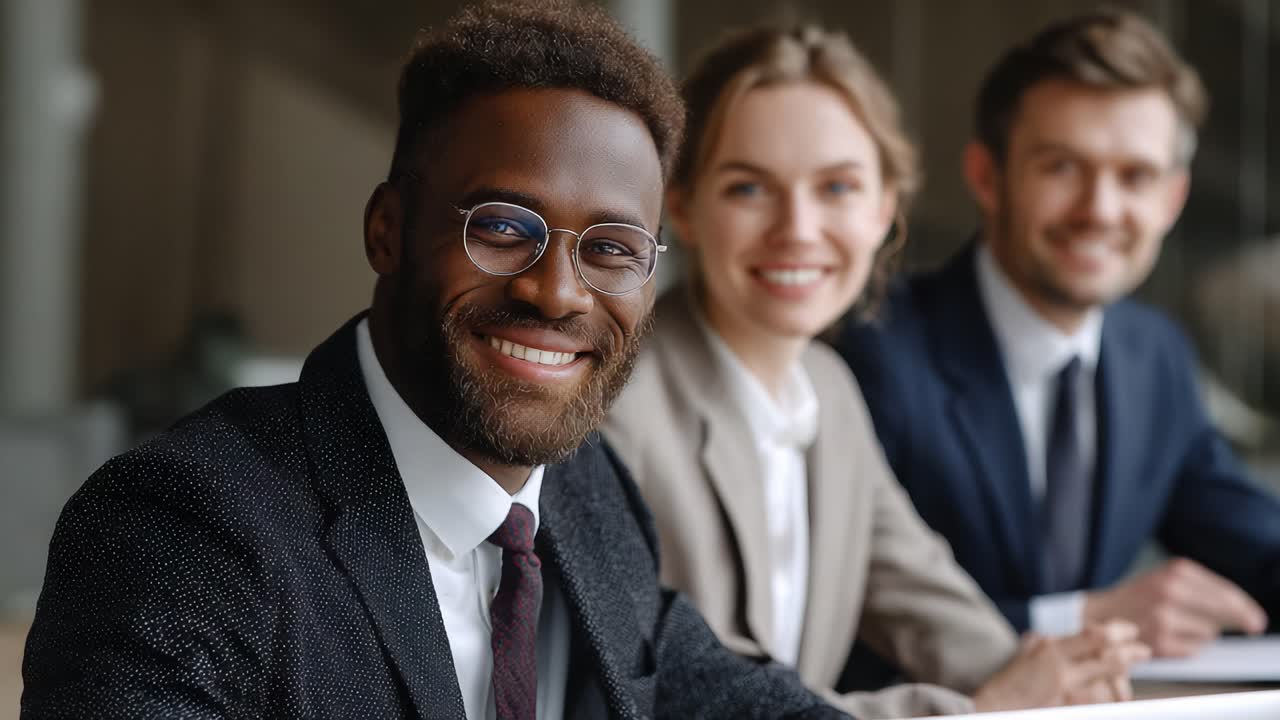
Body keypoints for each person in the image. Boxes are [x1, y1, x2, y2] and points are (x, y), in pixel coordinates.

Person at [20, 3, 849, 718]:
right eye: (500, 227)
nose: (558, 293)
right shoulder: (186, 528)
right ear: (388, 229)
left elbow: (701, 688)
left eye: (612, 248)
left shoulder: (589, 493)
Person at [602, 23, 1147, 720]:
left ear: (885, 208)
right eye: (747, 189)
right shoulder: (621, 402)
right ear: (682, 204)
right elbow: (688, 698)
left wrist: (1055, 680)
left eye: (837, 187)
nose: (797, 227)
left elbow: (920, 594)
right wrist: (974, 710)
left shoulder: (828, 389)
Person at [839, 8, 1280, 659]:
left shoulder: (1152, 353)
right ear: (987, 176)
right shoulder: (875, 351)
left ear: (1173, 198)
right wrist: (1081, 618)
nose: (1100, 210)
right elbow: (835, 620)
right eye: (1062, 167)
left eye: (1135, 177)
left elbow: (1260, 549)